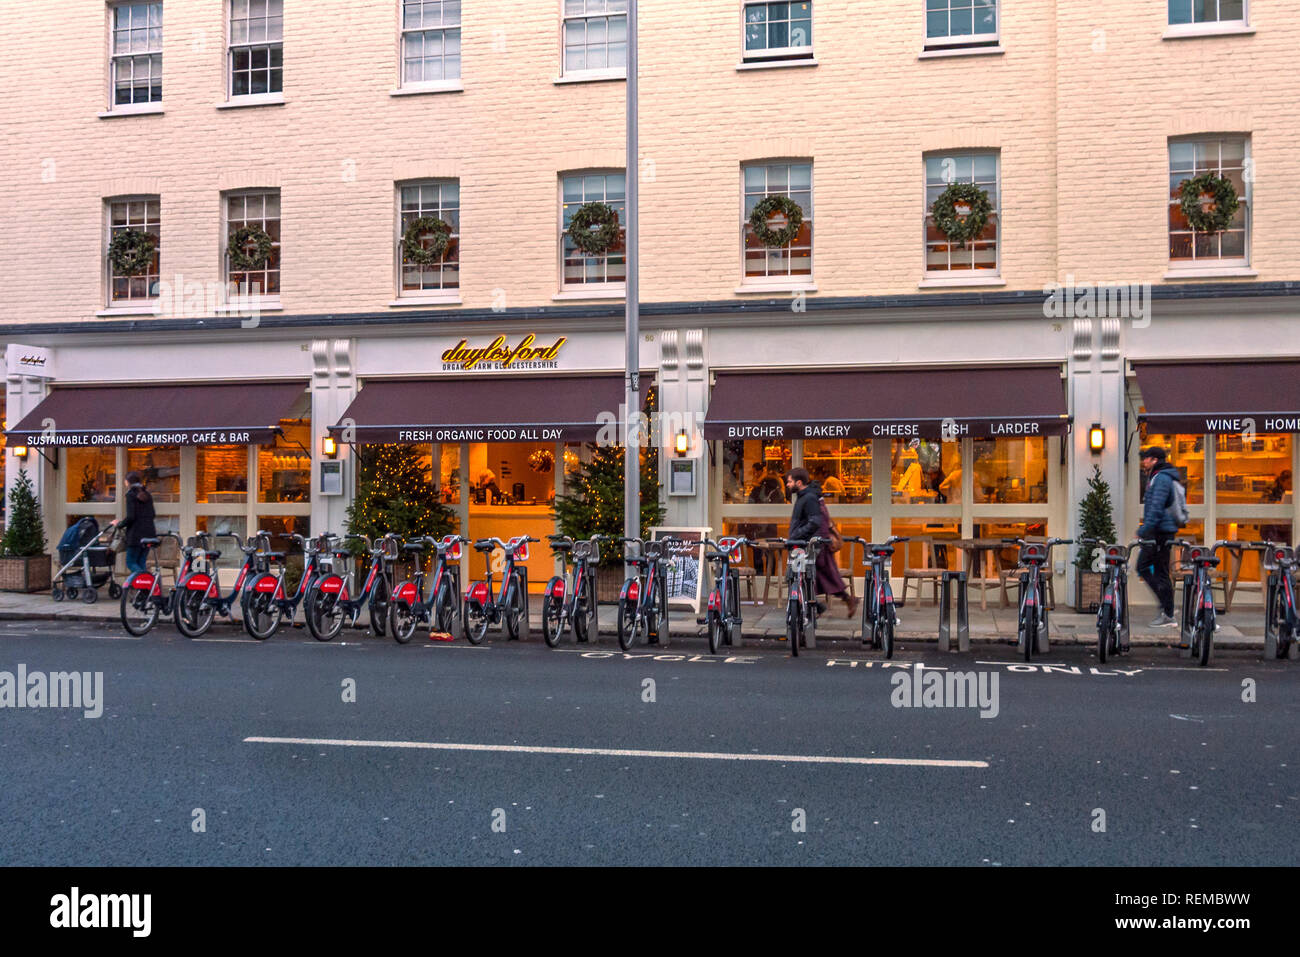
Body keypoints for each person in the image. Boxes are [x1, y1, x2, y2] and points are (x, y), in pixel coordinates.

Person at [786, 467, 858, 618]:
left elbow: (815, 521)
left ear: (799, 483)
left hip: (813, 544)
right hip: (812, 543)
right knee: (820, 576)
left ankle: (818, 606)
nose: (787, 484)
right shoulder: (807, 496)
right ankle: (821, 605)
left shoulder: (809, 498)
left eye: (790, 481)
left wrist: (796, 536)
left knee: (811, 575)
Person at [1136, 447, 1180, 628]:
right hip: (1159, 531)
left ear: (1154, 460)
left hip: (1159, 533)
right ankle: (1166, 606)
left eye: (1146, 458)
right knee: (1157, 570)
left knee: (1147, 567)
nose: (1143, 461)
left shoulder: (1161, 478)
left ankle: (1168, 612)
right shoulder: (1157, 476)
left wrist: (1143, 530)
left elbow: (1156, 507)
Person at [119, 471, 156, 575]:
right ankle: (144, 588)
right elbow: (153, 514)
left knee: (131, 562)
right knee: (141, 561)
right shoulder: (147, 494)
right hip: (149, 533)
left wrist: (120, 524)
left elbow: (131, 516)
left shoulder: (130, 495)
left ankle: (146, 579)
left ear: (127, 482)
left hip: (135, 535)